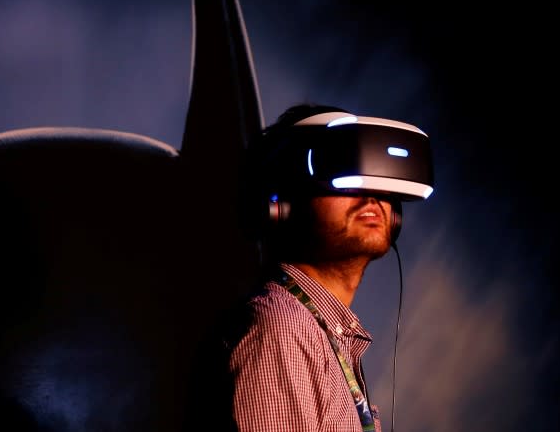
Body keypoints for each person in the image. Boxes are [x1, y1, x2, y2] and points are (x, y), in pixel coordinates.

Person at [183, 102, 433, 432]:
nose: (370, 194)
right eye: (341, 169)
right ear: (280, 207)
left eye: (378, 178)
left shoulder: (320, 333)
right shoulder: (281, 331)